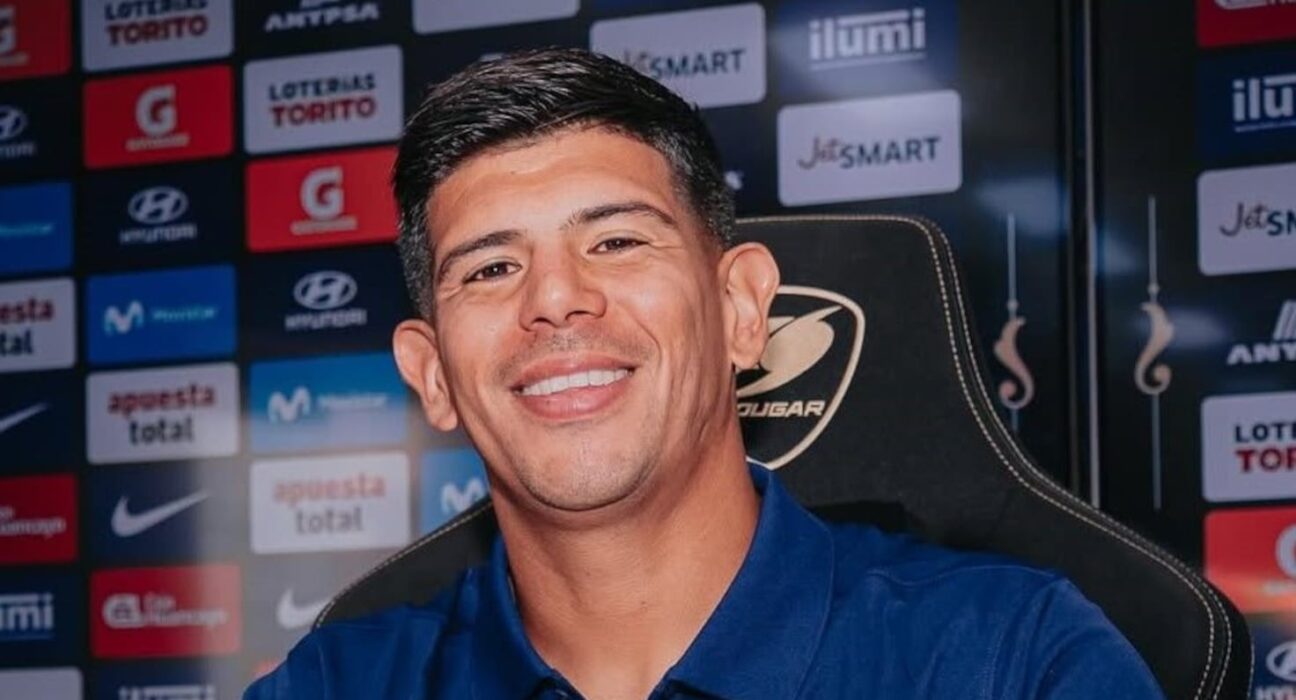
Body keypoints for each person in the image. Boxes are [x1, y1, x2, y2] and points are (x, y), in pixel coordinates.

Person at [245, 47, 1163, 699]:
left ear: (741, 310)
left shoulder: (1009, 660)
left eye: (616, 241)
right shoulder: (332, 686)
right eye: (491, 268)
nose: (555, 300)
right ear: (433, 374)